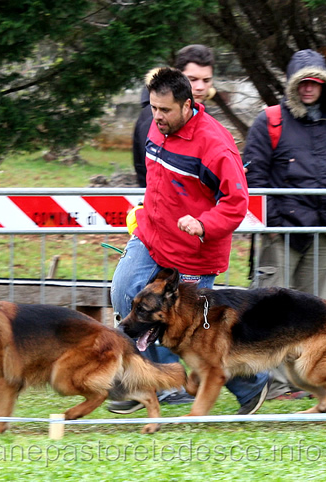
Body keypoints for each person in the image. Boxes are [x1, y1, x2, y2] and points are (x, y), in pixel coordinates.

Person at [109, 67, 270, 415]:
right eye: (153, 108)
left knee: (189, 332)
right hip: (151, 235)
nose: (157, 117)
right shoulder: (155, 126)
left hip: (194, 252)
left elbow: (236, 202)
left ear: (187, 105)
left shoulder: (215, 145)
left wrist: (203, 223)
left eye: (165, 110)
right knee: (124, 294)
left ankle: (252, 384)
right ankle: (153, 380)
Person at [244, 49, 326, 400]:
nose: (309, 88)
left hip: (322, 232)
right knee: (272, 312)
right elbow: (254, 176)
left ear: (325, 85)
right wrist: (273, 221)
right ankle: (274, 385)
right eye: (302, 81)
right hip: (283, 232)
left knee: (314, 312)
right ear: (292, 84)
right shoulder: (270, 120)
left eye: (315, 82)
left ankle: (304, 380)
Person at [133, 44, 216, 187]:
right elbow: (157, 172)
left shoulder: (202, 114)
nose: (200, 87)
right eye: (193, 79)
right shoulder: (153, 116)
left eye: (206, 80)